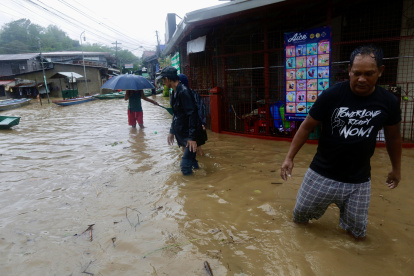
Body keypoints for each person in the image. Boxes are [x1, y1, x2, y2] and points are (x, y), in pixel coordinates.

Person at [280, 45, 402, 240]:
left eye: (369, 73)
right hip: (321, 174)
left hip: (359, 181)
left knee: (357, 235)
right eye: (357, 73)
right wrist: (289, 158)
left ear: (380, 71)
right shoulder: (333, 94)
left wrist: (396, 169)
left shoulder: (388, 102)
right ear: (349, 70)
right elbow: (306, 126)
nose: (362, 79)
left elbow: (394, 137)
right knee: (299, 221)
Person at [156, 66, 205, 175]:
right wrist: (171, 131)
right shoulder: (174, 92)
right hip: (183, 132)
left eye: (163, 80)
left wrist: (192, 138)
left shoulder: (183, 91)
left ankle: (190, 189)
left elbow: (192, 114)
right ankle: (201, 178)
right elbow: (176, 114)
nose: (163, 83)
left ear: (167, 79)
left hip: (189, 134)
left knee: (185, 166)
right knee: (191, 160)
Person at [178, 73, 208, 155]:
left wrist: (202, 123)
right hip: (187, 126)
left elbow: (200, 108)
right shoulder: (180, 94)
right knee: (189, 147)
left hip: (194, 125)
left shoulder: (190, 94)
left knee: (196, 148)